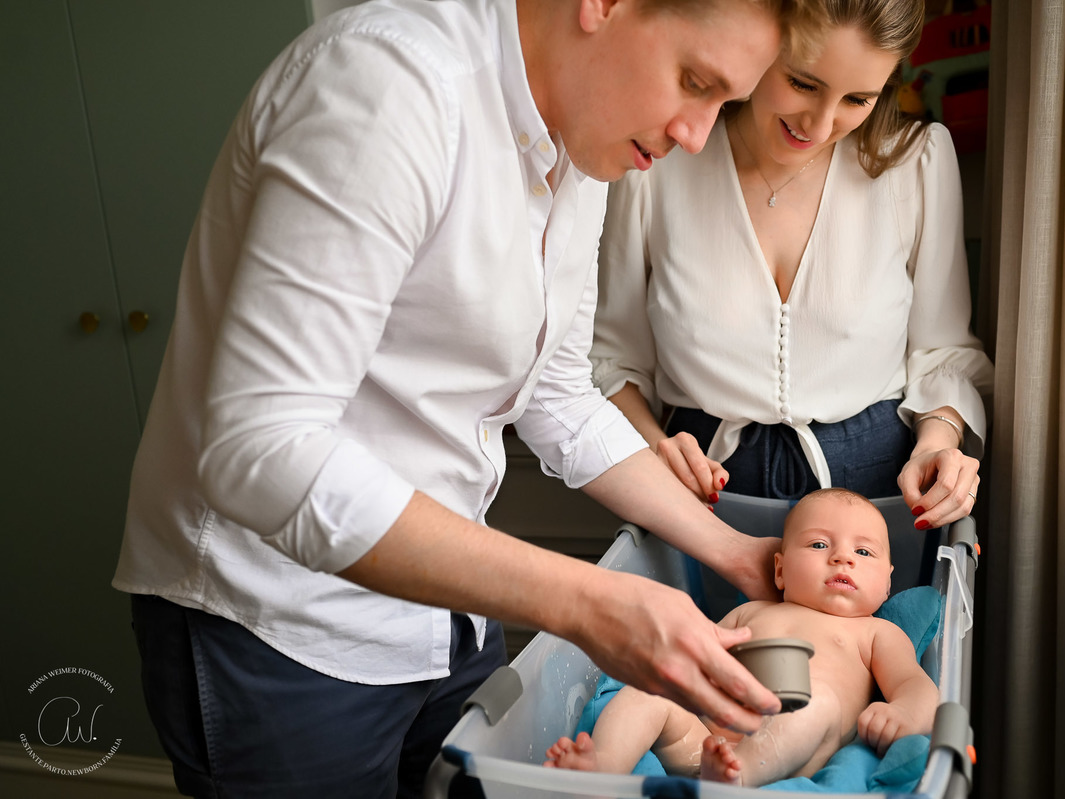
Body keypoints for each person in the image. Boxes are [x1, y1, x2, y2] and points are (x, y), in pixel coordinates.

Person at [110, 0, 823, 796]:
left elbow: (556, 394)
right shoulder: (389, 85)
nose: (695, 134)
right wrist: (588, 602)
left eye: (724, 102)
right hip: (279, 631)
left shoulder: (586, 138)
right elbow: (263, 449)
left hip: (443, 611)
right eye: (694, 81)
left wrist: (729, 548)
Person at [589, 0, 995, 532]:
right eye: (803, 83)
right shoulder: (657, 161)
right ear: (760, 42)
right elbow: (611, 360)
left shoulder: (916, 161)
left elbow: (943, 351)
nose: (820, 125)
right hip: (698, 488)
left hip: (881, 493)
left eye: (857, 99)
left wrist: (938, 443)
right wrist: (653, 449)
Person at [544, 487, 938, 785]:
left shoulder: (876, 633)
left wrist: (902, 714)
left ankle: (739, 777)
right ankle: (602, 768)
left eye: (864, 553)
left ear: (888, 584)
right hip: (704, 741)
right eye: (819, 544)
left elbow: (916, 685)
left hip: (792, 753)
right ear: (780, 570)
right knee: (647, 693)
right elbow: (698, 655)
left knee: (815, 701)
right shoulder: (752, 611)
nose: (842, 557)